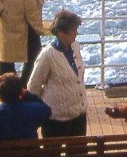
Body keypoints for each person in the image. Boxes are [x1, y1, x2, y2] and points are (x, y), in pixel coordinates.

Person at [26, 9, 86, 137]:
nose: (76, 33)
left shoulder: (75, 46)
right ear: (60, 32)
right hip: (55, 120)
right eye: (72, 30)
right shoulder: (47, 55)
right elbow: (33, 87)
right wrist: (41, 110)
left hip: (78, 116)